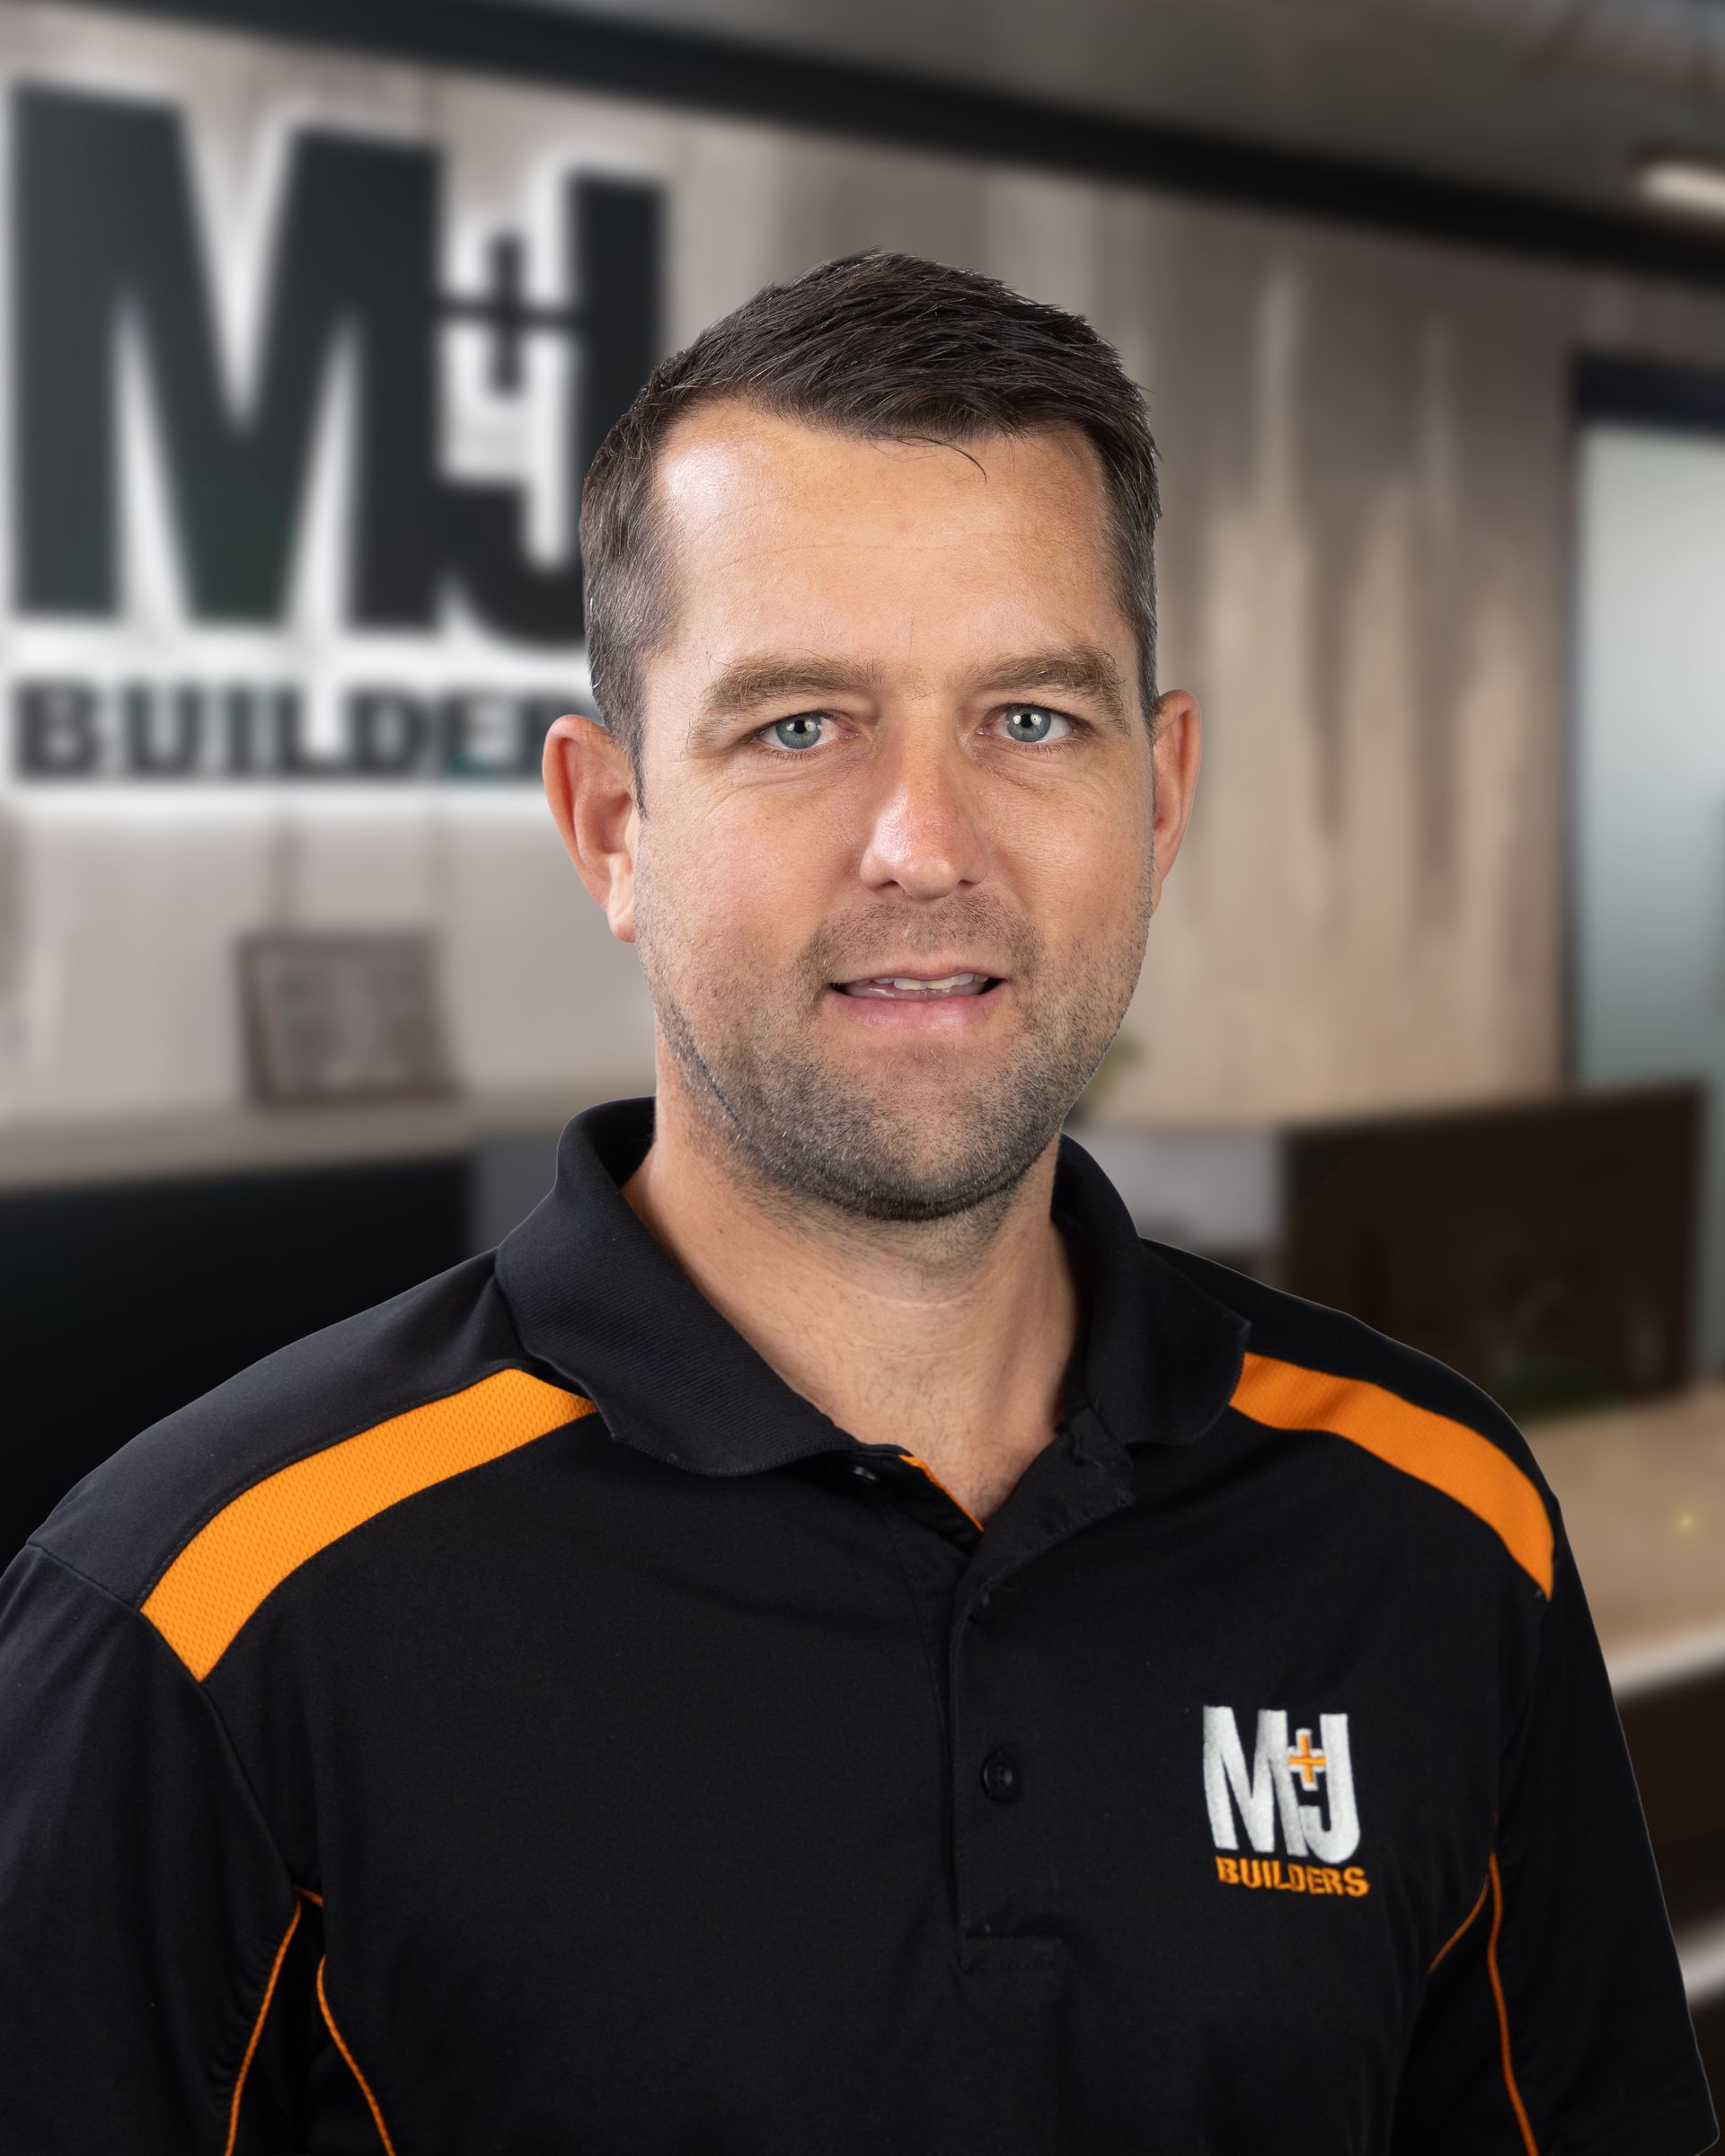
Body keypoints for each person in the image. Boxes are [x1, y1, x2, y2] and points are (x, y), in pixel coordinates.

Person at [0, 250, 1713, 2156]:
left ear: (1161, 799)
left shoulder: (1436, 1534)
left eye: (1032, 720)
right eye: (800, 725)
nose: (925, 843)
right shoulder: (202, 1618)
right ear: (611, 826)